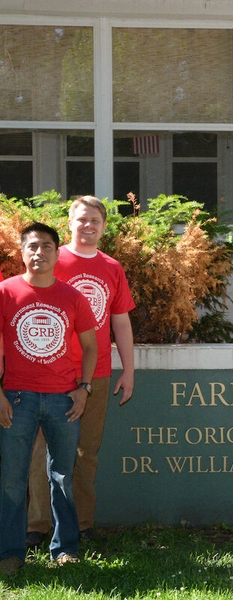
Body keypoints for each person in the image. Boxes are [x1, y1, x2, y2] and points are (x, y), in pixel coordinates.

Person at [27, 196, 135, 545]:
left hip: (98, 373)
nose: (88, 226)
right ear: (69, 223)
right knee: (39, 452)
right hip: (48, 373)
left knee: (85, 453)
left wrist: (129, 369)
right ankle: (37, 527)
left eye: (96, 221)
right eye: (82, 219)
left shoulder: (112, 268)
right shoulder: (52, 261)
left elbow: (120, 321)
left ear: (104, 226)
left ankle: (81, 525)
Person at [0, 223, 97, 576]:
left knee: (62, 476)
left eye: (46, 246)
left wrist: (84, 388)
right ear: (22, 253)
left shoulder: (72, 296)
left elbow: (91, 347)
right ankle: (9, 553)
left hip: (63, 400)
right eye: (32, 247)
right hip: (17, 398)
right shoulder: (5, 292)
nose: (39, 252)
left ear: (58, 252)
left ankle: (66, 548)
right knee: (12, 478)